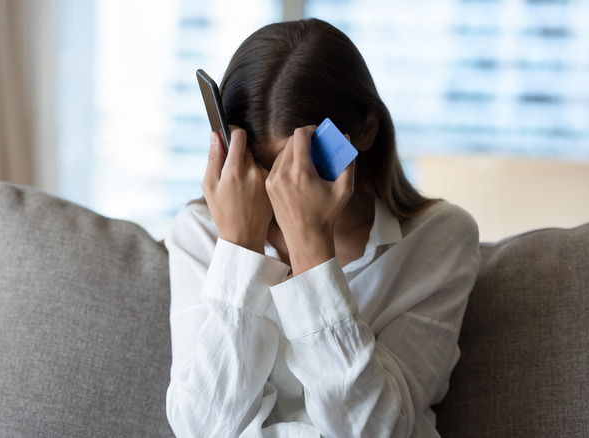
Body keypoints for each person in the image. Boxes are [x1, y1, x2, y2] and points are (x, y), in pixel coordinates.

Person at [165, 18, 479, 438]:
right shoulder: (199, 233)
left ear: (365, 131)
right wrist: (239, 251)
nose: (278, 190)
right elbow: (199, 427)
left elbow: (374, 431)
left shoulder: (440, 238)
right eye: (260, 166)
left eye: (298, 168)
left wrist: (313, 255)